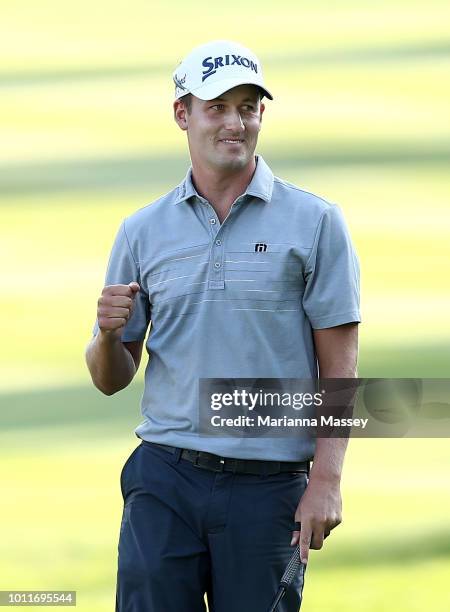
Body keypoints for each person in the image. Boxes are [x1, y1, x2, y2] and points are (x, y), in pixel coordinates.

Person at [85, 39, 361, 612]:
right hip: (164, 475)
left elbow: (339, 367)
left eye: (248, 107)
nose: (235, 122)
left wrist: (327, 479)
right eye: (217, 107)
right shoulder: (142, 230)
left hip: (269, 485)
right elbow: (112, 378)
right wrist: (108, 336)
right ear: (183, 114)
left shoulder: (315, 222)